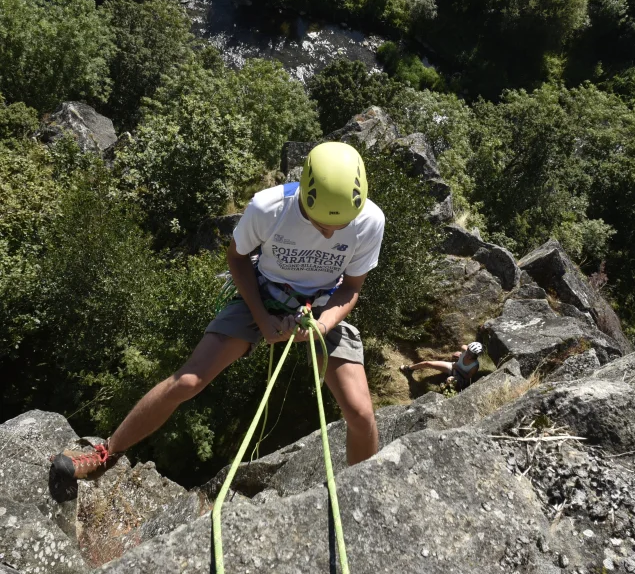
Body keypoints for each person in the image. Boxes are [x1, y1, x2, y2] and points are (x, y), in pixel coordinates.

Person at [51, 142, 385, 480]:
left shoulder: (370, 222)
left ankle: (363, 488)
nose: (329, 232)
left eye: (340, 225)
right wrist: (262, 320)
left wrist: (323, 325)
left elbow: (351, 287)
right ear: (303, 198)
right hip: (263, 292)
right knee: (187, 381)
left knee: (360, 413)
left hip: (322, 307)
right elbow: (237, 259)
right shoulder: (269, 208)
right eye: (319, 223)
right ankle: (107, 452)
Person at [399, 342, 483, 390]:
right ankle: (409, 368)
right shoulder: (466, 350)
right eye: (468, 352)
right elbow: (463, 346)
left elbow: (468, 377)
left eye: (471, 354)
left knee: (449, 380)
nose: (468, 355)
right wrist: (460, 353)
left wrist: (458, 368)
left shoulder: (475, 365)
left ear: (475, 356)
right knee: (428, 363)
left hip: (460, 376)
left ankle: (445, 391)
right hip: (453, 367)